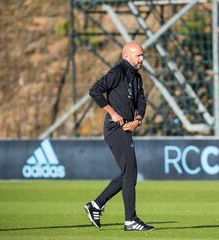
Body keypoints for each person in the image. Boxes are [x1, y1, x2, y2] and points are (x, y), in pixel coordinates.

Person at [85, 41, 154, 231]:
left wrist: (137, 120)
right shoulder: (117, 72)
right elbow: (95, 91)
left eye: (143, 55)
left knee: (128, 174)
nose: (142, 58)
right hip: (115, 129)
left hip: (126, 129)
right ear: (127, 56)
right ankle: (130, 220)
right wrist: (114, 114)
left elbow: (141, 102)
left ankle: (96, 205)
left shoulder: (137, 77)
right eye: (139, 55)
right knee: (130, 173)